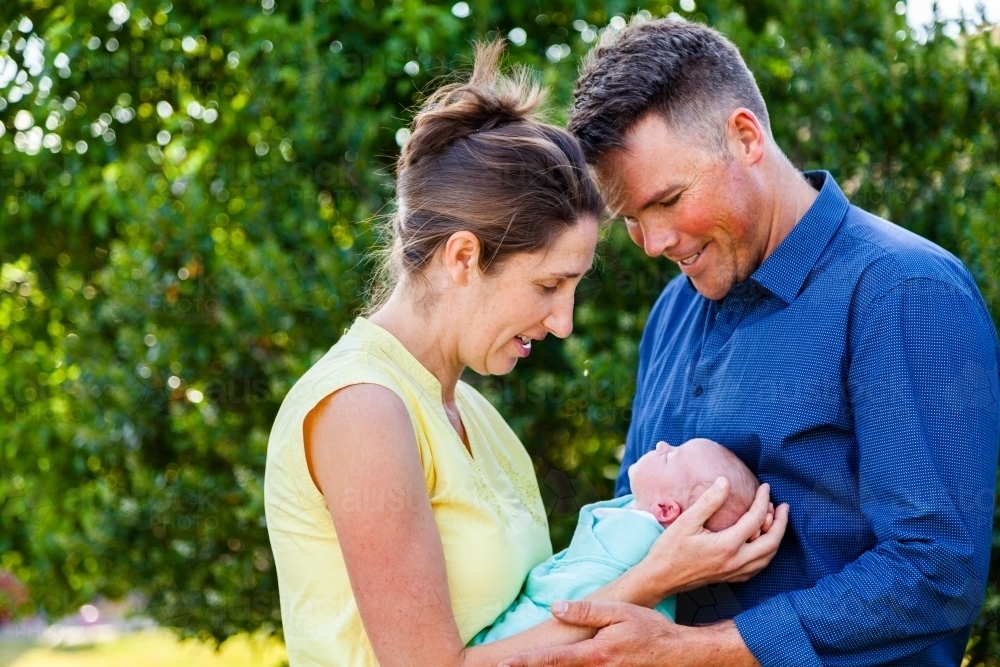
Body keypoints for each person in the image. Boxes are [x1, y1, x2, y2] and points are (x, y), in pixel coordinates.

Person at [264, 41, 787, 667]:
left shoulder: (477, 416)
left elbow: (526, 617)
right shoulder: (362, 409)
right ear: (463, 258)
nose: (563, 322)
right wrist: (652, 576)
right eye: (548, 285)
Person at [500, 17, 1000, 667]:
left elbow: (935, 573)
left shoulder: (903, 291)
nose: (655, 244)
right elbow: (638, 530)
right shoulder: (672, 313)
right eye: (631, 221)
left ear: (745, 136)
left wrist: (701, 650)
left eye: (670, 200)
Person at [472, 438, 771, 645]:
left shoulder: (624, 551)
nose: (662, 444)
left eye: (669, 456)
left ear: (665, 510)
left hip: (518, 636)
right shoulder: (638, 519)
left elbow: (562, 603)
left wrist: (489, 645)